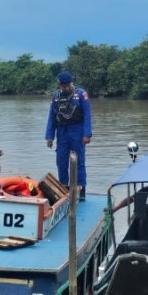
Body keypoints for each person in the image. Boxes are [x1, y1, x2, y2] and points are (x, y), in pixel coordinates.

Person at [45, 72, 92, 200]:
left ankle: (81, 189)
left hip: (77, 130)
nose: (65, 88)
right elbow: (52, 118)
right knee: (61, 161)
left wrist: (86, 134)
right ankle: (64, 188)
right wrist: (49, 137)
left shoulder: (81, 95)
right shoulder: (55, 97)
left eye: (67, 85)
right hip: (62, 132)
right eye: (63, 86)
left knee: (79, 161)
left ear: (72, 83)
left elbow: (87, 115)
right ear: (59, 85)